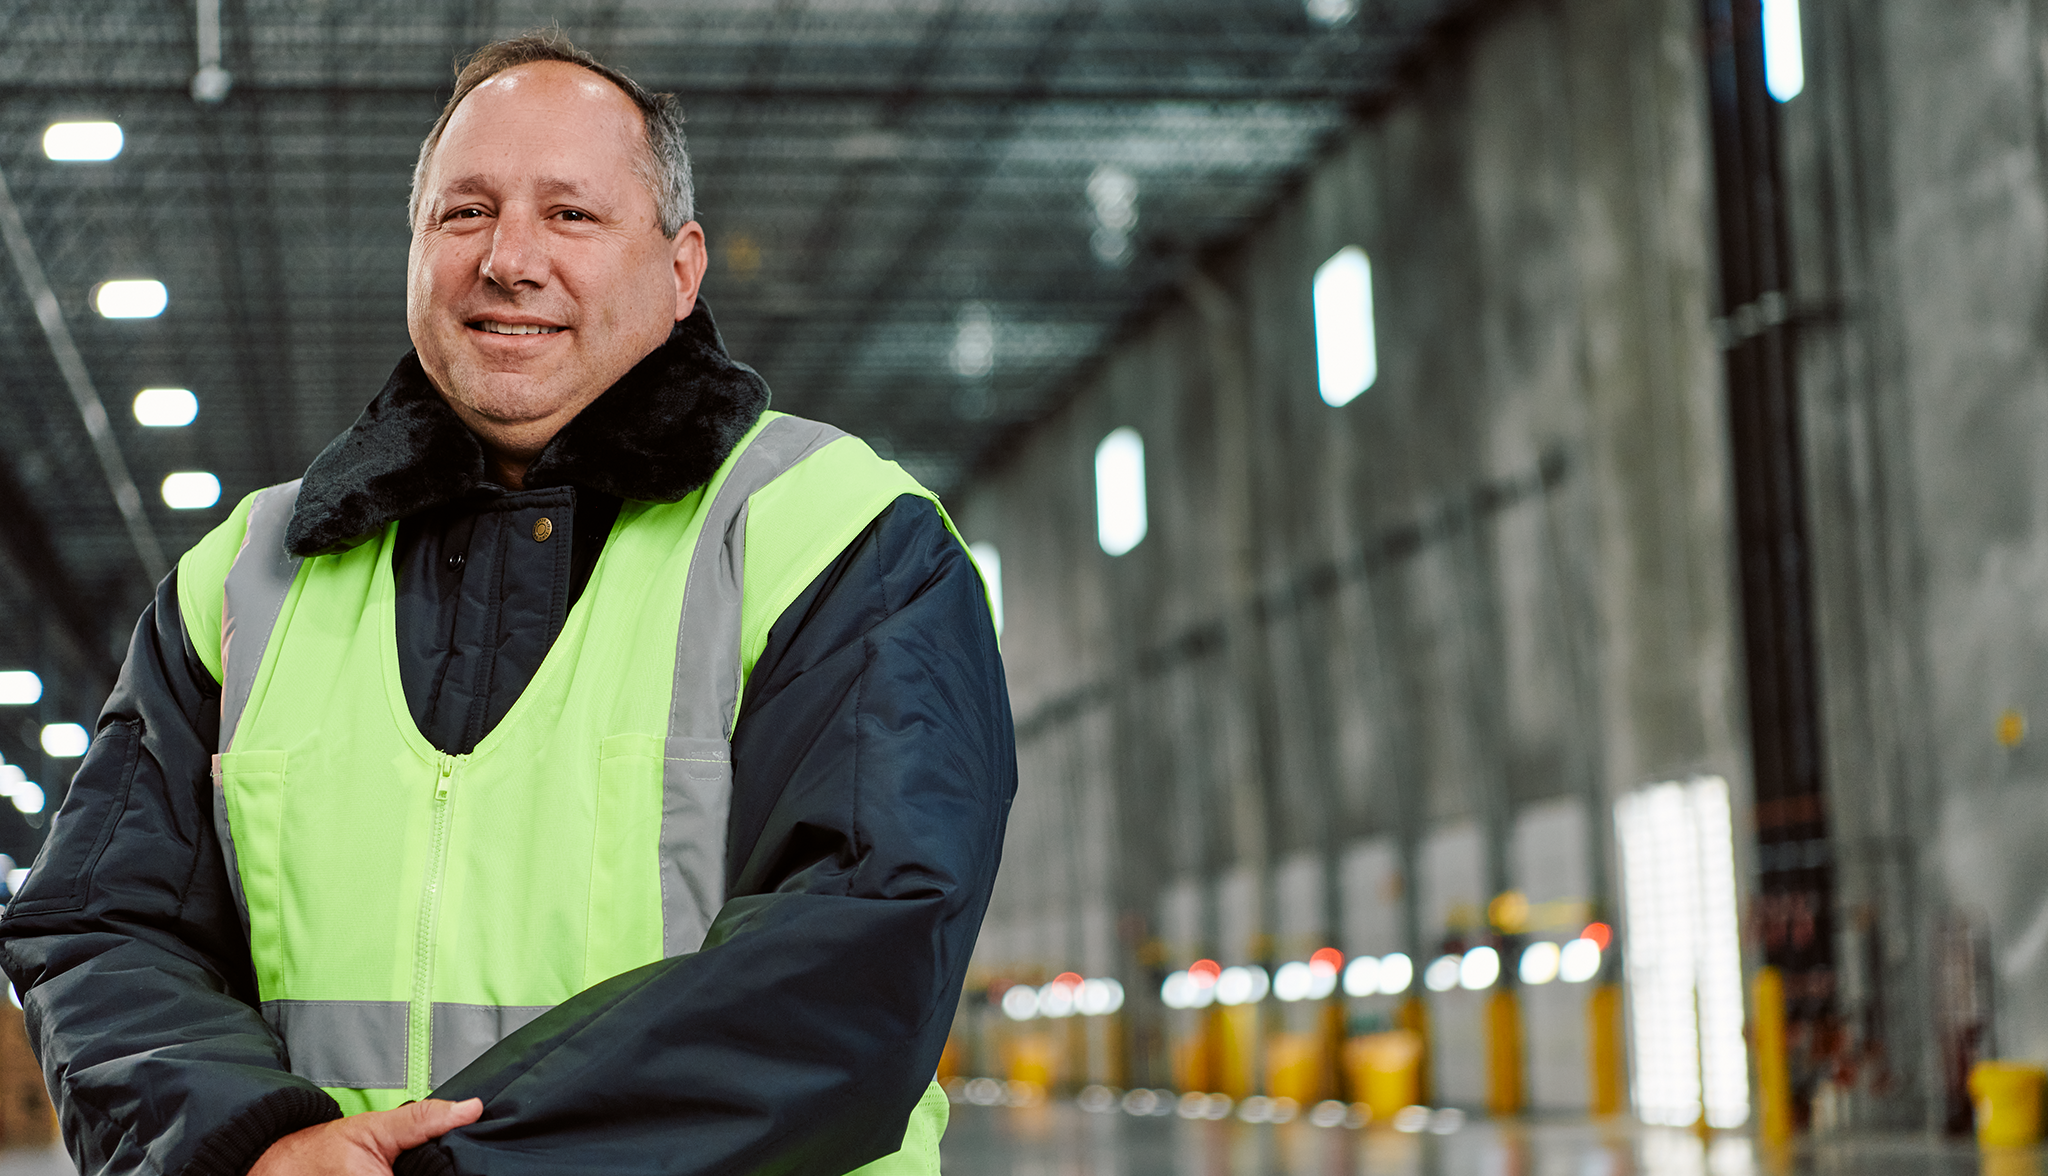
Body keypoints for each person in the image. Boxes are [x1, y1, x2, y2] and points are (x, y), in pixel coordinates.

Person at [0, 32, 1014, 1176]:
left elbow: (858, 955)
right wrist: (256, 1147)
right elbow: (97, 921)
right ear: (415, 253)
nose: (509, 260)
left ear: (681, 270)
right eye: (464, 213)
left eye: (571, 216)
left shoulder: (837, 539)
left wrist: (432, 1171)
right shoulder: (247, 575)